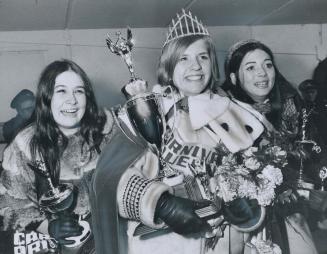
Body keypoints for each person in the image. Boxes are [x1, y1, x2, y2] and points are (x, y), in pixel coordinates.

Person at [91, 10, 273, 254]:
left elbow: (267, 181)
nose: (195, 67)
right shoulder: (145, 110)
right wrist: (160, 203)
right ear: (169, 64)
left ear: (212, 62)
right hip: (162, 245)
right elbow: (108, 179)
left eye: (203, 57)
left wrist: (253, 206)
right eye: (184, 59)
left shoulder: (242, 115)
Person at [0, 59, 116, 253]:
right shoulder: (24, 145)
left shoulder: (108, 131)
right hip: (52, 241)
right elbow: (9, 203)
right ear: (47, 97)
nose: (72, 99)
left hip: (109, 231)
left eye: (79, 91)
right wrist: (46, 226)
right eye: (61, 90)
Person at [222, 39, 318, 254]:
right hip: (248, 222)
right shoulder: (224, 115)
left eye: (267, 64)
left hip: (291, 214)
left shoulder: (288, 110)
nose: (262, 73)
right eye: (251, 67)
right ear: (234, 78)